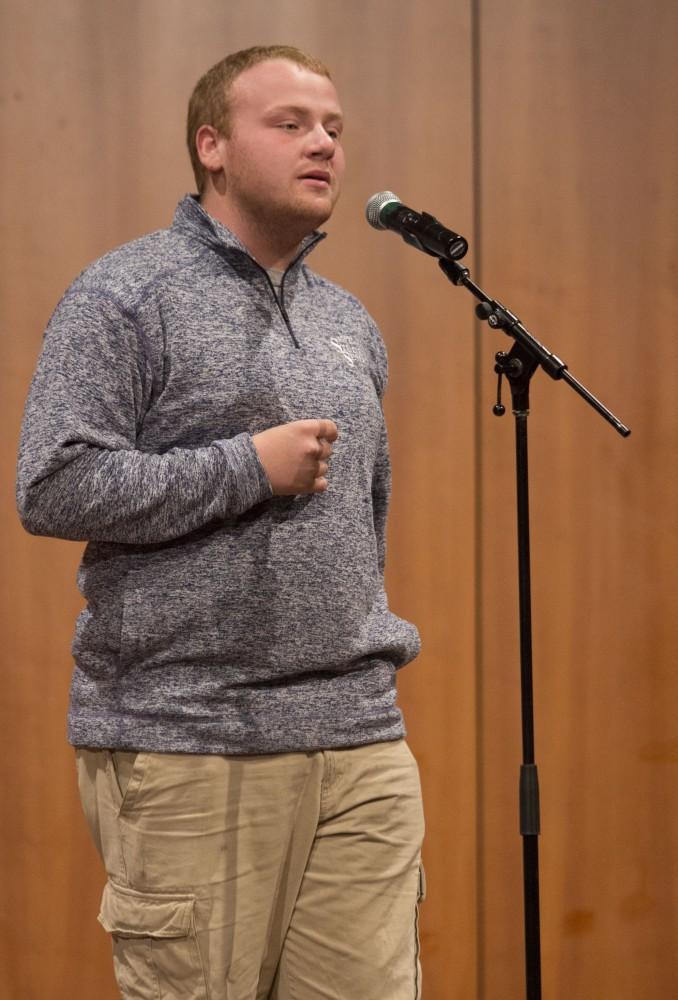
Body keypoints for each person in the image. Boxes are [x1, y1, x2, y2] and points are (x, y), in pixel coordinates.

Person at [17, 45, 425, 1000]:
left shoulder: (349, 320)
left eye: (331, 127)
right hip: (189, 739)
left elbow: (368, 518)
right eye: (288, 124)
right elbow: (56, 486)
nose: (322, 143)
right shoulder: (125, 296)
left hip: (360, 740)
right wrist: (249, 467)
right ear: (212, 146)